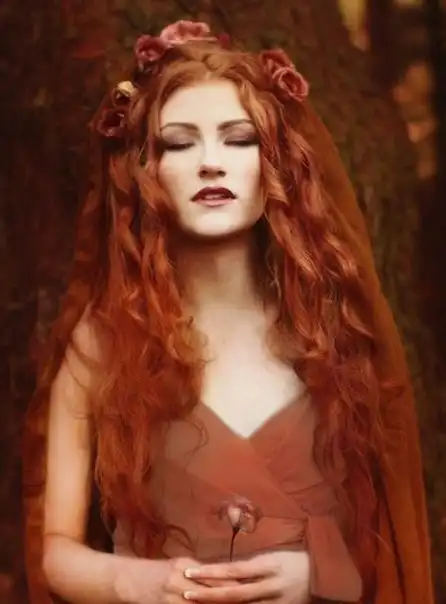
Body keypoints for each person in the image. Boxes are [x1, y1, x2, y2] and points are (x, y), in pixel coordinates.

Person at [26, 19, 433, 604]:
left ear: (277, 163)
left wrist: (319, 575)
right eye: (178, 143)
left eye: (239, 139)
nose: (210, 163)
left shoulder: (334, 330)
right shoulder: (103, 340)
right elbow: (55, 550)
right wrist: (136, 581)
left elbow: (395, 535)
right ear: (143, 167)